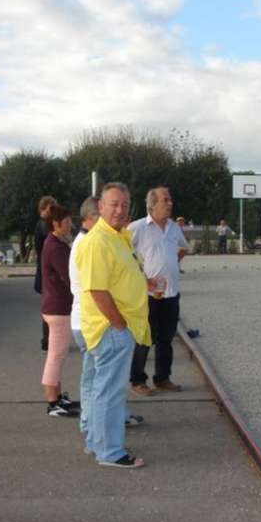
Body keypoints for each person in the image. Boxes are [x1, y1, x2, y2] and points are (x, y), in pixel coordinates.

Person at [75, 182, 149, 469]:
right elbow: (97, 290)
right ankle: (110, 451)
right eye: (113, 204)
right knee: (111, 392)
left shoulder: (119, 237)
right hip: (111, 330)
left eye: (124, 204)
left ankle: (97, 444)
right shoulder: (97, 241)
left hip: (113, 328)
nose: (120, 210)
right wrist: (119, 325)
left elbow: (122, 276)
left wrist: (145, 284)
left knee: (100, 389)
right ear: (101, 207)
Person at [128, 187, 188, 396]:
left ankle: (162, 378)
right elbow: (124, 257)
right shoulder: (137, 228)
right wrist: (142, 279)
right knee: (144, 338)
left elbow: (183, 247)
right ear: (152, 205)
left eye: (170, 199)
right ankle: (137, 380)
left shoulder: (174, 228)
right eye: (165, 200)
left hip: (171, 293)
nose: (170, 203)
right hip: (148, 296)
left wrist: (172, 262)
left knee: (166, 338)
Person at [40, 204, 78, 417]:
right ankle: (53, 402)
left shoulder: (54, 243)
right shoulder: (56, 247)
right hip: (58, 308)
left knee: (58, 355)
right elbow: (70, 276)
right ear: (56, 223)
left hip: (55, 306)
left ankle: (57, 395)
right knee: (56, 356)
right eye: (67, 221)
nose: (70, 225)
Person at [34, 196, 57, 351]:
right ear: (44, 209)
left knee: (50, 308)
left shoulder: (43, 225)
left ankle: (48, 341)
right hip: (47, 273)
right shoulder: (44, 225)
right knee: (51, 309)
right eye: (52, 208)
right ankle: (48, 341)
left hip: (45, 272)